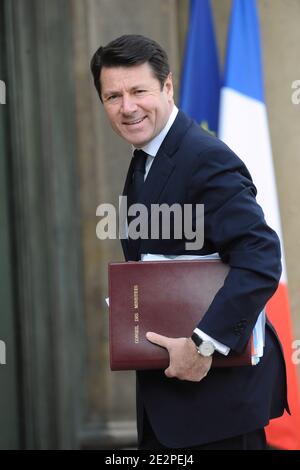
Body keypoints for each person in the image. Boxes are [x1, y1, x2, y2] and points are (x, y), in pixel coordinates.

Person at [90, 34, 288, 450]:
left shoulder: (204, 157)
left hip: (217, 406)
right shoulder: (145, 157)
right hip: (172, 405)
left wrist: (204, 346)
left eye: (139, 91)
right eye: (113, 96)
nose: (127, 107)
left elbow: (261, 257)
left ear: (167, 87)